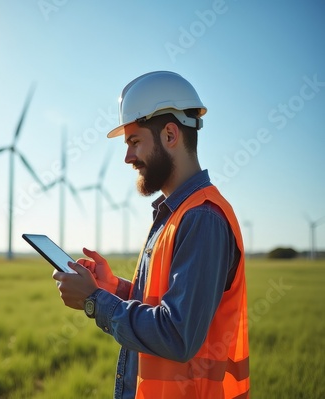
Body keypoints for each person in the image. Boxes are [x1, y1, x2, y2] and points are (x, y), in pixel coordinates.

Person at [52, 71, 250, 399]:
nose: (128, 157)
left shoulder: (201, 218)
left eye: (134, 142)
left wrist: (92, 300)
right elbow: (167, 304)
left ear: (170, 135)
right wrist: (112, 287)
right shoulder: (175, 214)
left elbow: (176, 334)